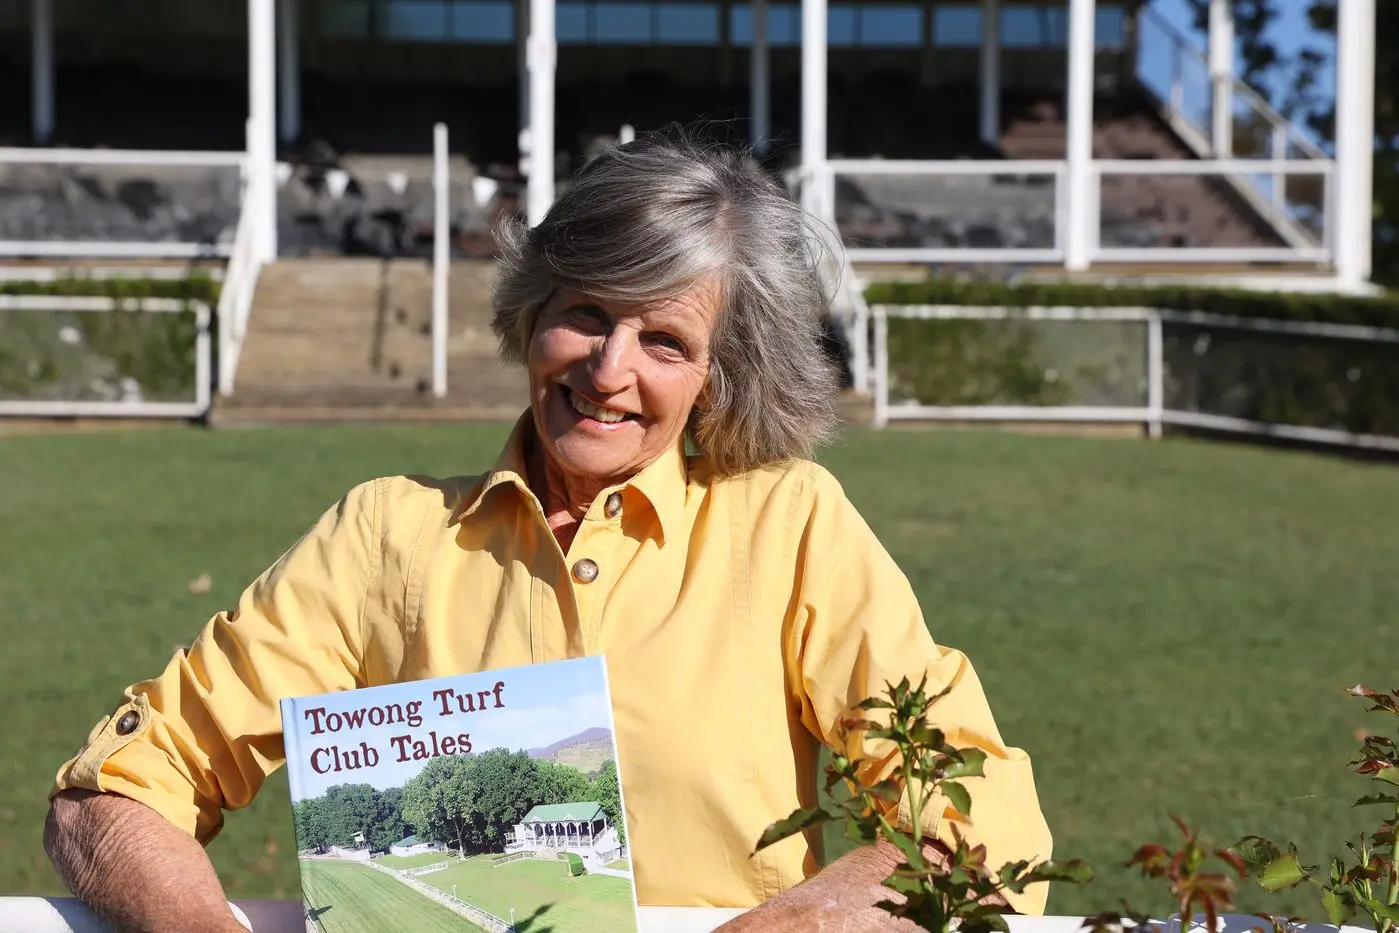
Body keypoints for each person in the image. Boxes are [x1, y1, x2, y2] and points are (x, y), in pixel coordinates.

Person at [45, 126, 1052, 933]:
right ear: (532, 316)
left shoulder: (789, 524)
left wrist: (794, 926)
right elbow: (114, 795)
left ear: (720, 374)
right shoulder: (387, 534)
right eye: (586, 314)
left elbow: (982, 827)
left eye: (664, 340)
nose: (609, 370)